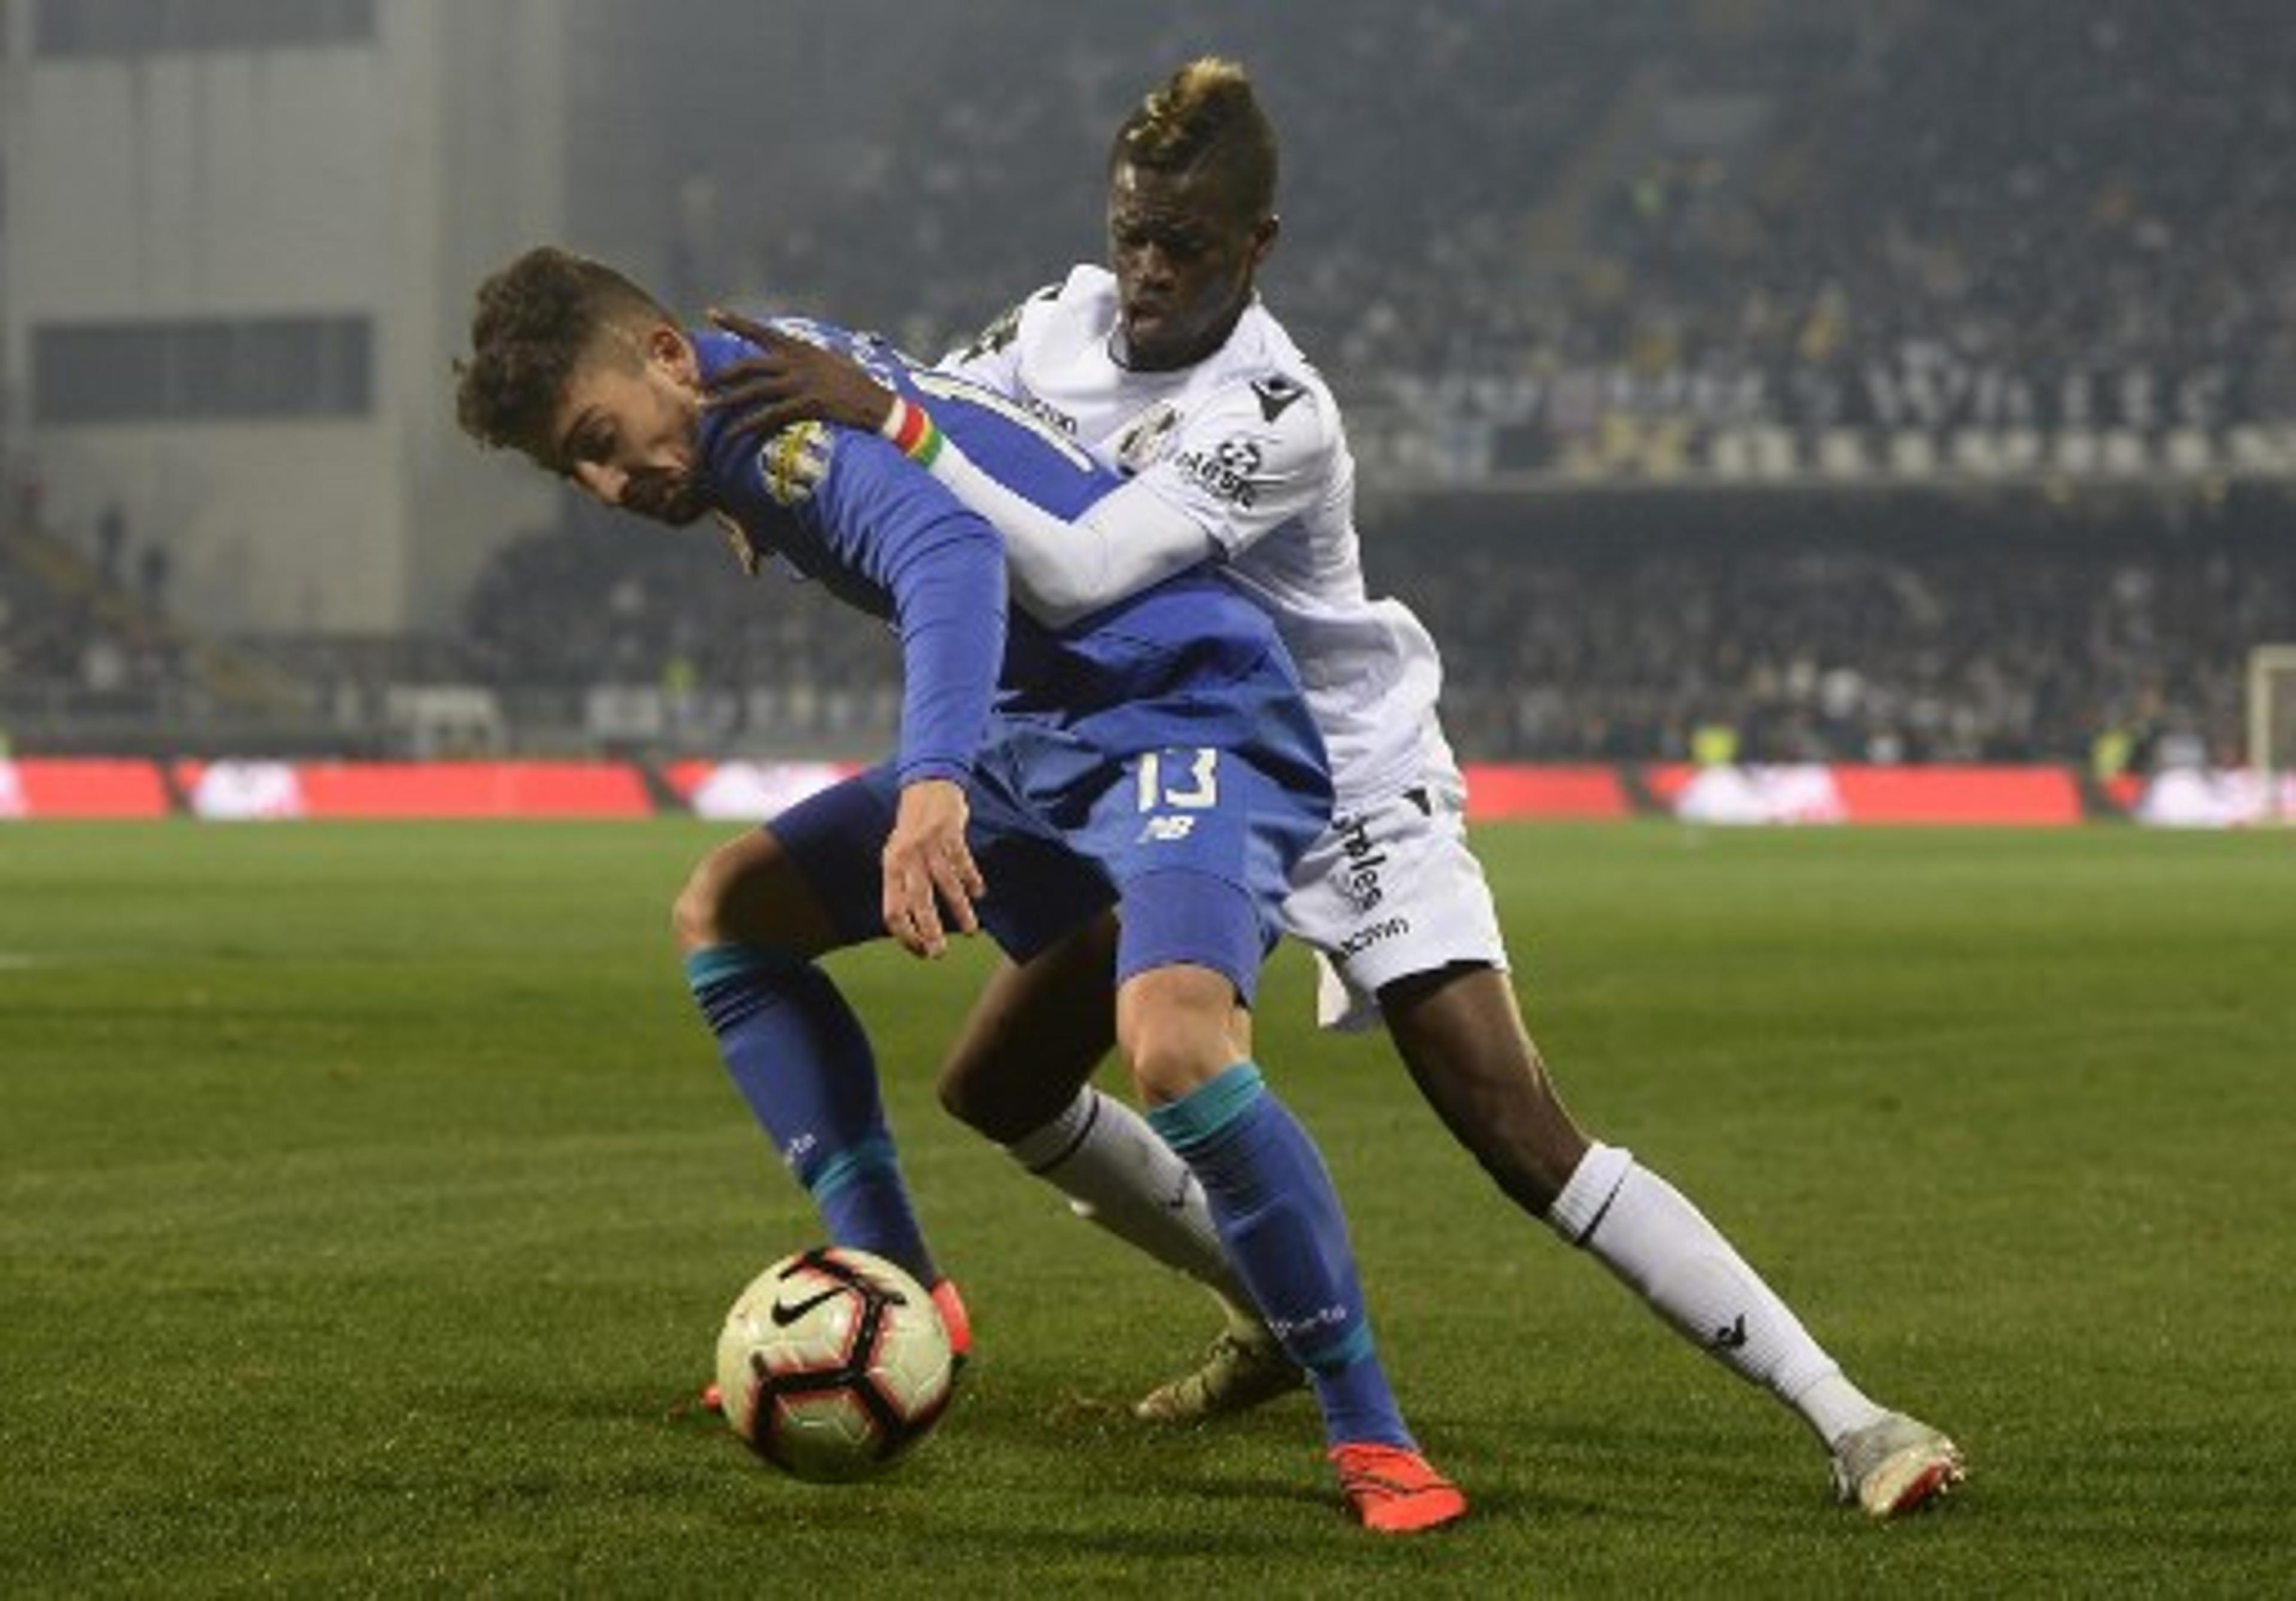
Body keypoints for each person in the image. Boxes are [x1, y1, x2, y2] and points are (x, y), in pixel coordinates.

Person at [703, 58, 1965, 1518]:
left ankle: (1852, 1416)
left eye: (1186, 245)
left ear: (1259, 245)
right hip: (1148, 766)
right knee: (999, 1080)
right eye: (1133, 236)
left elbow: (1080, 559)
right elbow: (933, 437)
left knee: (1518, 1133)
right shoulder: (1055, 326)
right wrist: (786, 493)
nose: (1151, 272)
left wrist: (893, 429)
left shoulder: (1277, 407)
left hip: (1336, 776)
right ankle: (1268, 1310)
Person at [451, 245, 1466, 1533]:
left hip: (1178, 708)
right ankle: (901, 1294)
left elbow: (949, 552)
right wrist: (719, 487)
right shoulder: (742, 382)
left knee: (1176, 1047)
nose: (605, 483)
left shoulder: (775, 442)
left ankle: (1371, 1429)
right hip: (1042, 724)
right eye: (572, 469)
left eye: (602, 438)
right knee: (731, 914)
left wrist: (931, 781)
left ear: (665, 356)